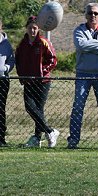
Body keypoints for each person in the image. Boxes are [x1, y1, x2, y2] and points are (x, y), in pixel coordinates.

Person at [67, 3, 98, 149]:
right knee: (78, 108)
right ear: (85, 14)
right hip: (83, 74)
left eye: (95, 13)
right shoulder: (79, 30)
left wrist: (90, 46)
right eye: (90, 13)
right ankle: (73, 140)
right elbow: (81, 46)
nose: (92, 16)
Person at [15, 16, 60, 148]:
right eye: (30, 28)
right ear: (26, 28)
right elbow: (18, 61)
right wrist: (21, 76)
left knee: (38, 109)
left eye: (35, 28)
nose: (33, 30)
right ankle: (50, 131)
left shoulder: (43, 42)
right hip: (28, 82)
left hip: (43, 81)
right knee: (30, 107)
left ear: (38, 28)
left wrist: (42, 71)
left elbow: (53, 60)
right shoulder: (22, 44)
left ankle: (37, 138)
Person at [0, 18, 15, 147]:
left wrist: (4, 69)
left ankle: (1, 138)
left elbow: (11, 61)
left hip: (2, 81)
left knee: (0, 109)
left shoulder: (6, 44)